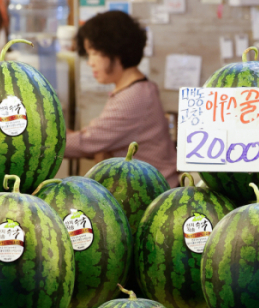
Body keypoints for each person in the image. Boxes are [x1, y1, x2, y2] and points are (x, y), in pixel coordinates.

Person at [64, 11, 178, 187]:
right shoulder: (137, 89)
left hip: (156, 192)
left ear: (114, 51)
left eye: (94, 53)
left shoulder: (133, 97)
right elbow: (98, 138)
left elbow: (87, 142)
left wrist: (41, 142)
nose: (90, 62)